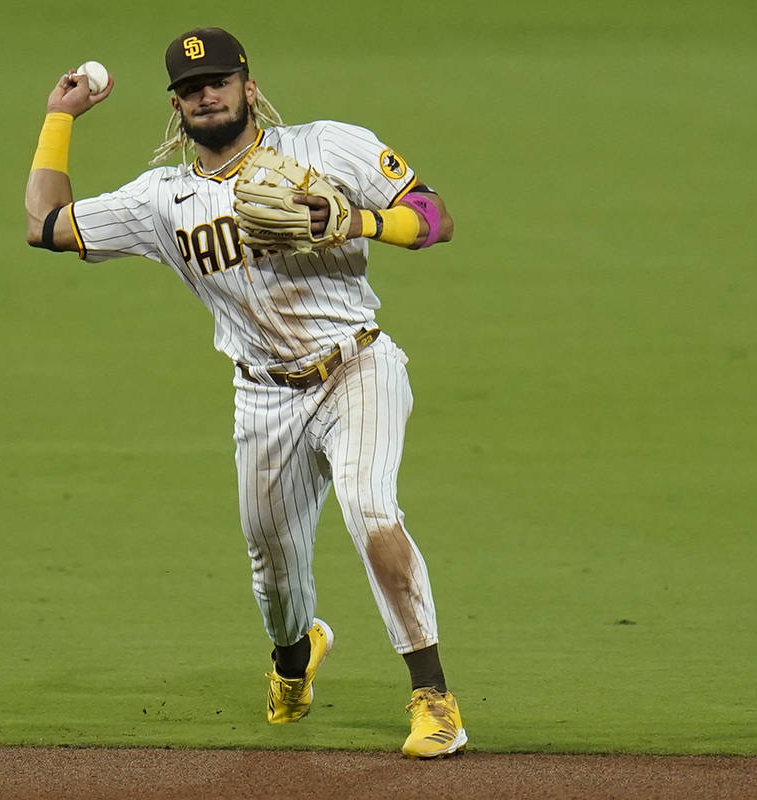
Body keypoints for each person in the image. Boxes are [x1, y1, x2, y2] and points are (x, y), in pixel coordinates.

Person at [23, 27, 465, 758]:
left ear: (248, 87)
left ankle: (433, 698)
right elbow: (45, 227)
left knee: (370, 508)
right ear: (177, 106)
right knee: (274, 569)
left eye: (219, 82)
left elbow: (436, 217)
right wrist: (59, 118)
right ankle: (295, 660)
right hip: (263, 395)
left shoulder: (326, 149)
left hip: (357, 366)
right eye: (191, 89)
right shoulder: (163, 199)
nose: (207, 95)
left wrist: (356, 220)